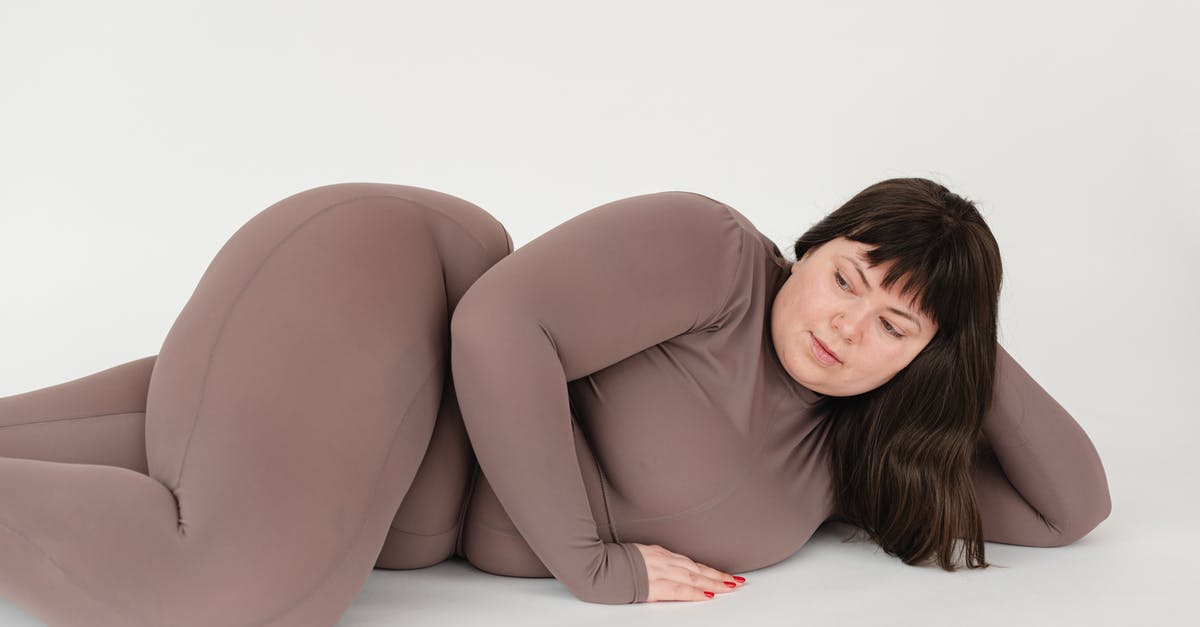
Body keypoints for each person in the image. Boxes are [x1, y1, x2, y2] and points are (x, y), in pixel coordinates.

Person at [0, 179, 1111, 625]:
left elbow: (1071, 511)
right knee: (253, 579)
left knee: (192, 477)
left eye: (894, 327)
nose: (844, 324)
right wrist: (594, 564)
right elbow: (496, 327)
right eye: (849, 278)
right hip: (396, 291)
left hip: (353, 438)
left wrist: (963, 321)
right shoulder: (718, 260)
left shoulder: (848, 462)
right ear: (812, 250)